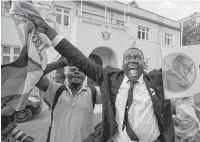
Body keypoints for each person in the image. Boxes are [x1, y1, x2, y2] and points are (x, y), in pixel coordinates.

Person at [27, 13, 174, 142]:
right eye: (128, 57)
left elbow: (185, 70)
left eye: (137, 57)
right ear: (123, 64)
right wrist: (48, 30)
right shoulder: (111, 79)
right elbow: (80, 59)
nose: (133, 60)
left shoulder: (157, 80)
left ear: (144, 63)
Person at [35, 60, 102, 142]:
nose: (77, 72)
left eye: (81, 71)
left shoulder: (93, 92)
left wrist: (93, 68)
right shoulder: (55, 90)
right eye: (73, 70)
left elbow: (113, 91)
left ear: (85, 76)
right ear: (67, 75)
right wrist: (63, 63)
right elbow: (35, 75)